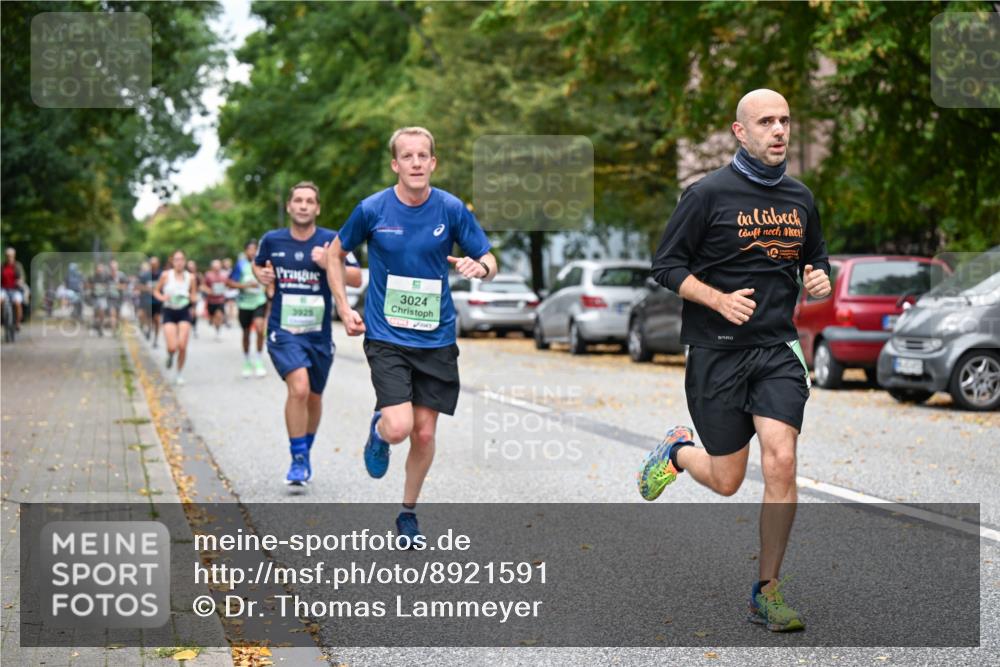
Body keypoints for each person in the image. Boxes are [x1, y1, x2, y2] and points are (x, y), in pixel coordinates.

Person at [639, 89, 831, 633]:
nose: (779, 130)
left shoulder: (800, 198)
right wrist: (717, 300)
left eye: (784, 120)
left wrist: (819, 277)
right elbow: (666, 266)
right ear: (740, 132)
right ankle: (677, 453)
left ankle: (767, 591)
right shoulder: (706, 195)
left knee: (781, 460)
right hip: (717, 353)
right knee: (727, 480)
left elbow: (814, 258)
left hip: (776, 350)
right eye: (766, 121)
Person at [327, 127, 497, 543]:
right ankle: (380, 432)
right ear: (396, 164)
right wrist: (344, 307)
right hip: (387, 337)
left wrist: (481, 268)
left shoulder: (451, 209)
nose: (416, 163)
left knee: (424, 433)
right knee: (400, 427)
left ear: (433, 163)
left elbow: (490, 260)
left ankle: (407, 513)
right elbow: (335, 253)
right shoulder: (372, 209)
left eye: (423, 156)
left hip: (436, 339)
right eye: (408, 156)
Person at [253, 182, 362, 486]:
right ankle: (298, 457)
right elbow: (258, 266)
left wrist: (329, 262)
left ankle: (305, 451)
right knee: (299, 388)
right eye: (298, 200)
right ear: (289, 206)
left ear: (318, 208)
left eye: (309, 201)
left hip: (319, 334)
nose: (303, 205)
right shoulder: (272, 240)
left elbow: (356, 278)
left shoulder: (332, 240)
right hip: (283, 330)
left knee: (314, 396)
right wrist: (261, 275)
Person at [154, 250, 198, 385]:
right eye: (176, 259)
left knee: (182, 345)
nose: (179, 262)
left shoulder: (191, 277)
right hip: (169, 311)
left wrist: (192, 300)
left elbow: (194, 295)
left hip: (184, 311)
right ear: (172, 261)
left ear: (185, 261)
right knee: (172, 347)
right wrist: (162, 297)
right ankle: (170, 355)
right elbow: (156, 291)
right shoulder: (166, 275)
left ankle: (179, 373)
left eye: (182, 259)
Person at [227, 241, 268, 378]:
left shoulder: (263, 264)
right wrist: (245, 286)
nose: (252, 252)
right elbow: (229, 283)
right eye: (250, 249)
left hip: (259, 301)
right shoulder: (240, 265)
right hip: (244, 304)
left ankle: (259, 360)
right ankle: (247, 361)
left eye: (255, 249)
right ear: (245, 251)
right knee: (246, 333)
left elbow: (270, 281)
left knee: (260, 329)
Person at [138, 257, 163, 347]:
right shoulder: (145, 275)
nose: (153, 265)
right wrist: (148, 289)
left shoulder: (162, 275)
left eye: (155, 264)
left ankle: (155, 339)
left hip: (158, 301)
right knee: (147, 317)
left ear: (158, 264)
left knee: (157, 320)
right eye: (152, 264)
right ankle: (148, 329)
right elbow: (139, 287)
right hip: (147, 300)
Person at [1, 247, 27, 330]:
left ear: (14, 256)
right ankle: (2, 319)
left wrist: (20, 281)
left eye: (11, 255)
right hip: (4, 288)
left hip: (15, 289)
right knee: (0, 300)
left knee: (17, 303)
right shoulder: (2, 266)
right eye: (7, 256)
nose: (9, 257)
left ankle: (18, 322)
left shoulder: (18, 265)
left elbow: (22, 276)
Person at [202, 259, 228, 341]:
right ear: (212, 267)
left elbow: (228, 284)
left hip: (220, 300)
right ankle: (213, 323)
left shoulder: (224, 275)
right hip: (211, 301)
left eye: (218, 266)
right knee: (213, 317)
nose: (217, 268)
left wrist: (226, 289)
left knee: (219, 316)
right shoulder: (208, 275)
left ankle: (218, 332)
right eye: (215, 267)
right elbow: (203, 286)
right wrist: (209, 291)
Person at [89, 263, 111, 336]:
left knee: (101, 311)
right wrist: (94, 286)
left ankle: (100, 326)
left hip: (102, 296)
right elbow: (88, 285)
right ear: (96, 269)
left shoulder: (105, 277)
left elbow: (108, 285)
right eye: (98, 269)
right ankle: (96, 326)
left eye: (101, 268)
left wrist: (102, 286)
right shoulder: (92, 277)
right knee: (96, 313)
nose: (100, 270)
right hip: (94, 297)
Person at [186, 259, 202, 339]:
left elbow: (201, 285)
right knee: (187, 312)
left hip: (195, 295)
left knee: (194, 312)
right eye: (189, 267)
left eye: (192, 266)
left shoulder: (198, 275)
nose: (191, 268)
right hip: (185, 296)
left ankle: (194, 328)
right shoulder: (185, 275)